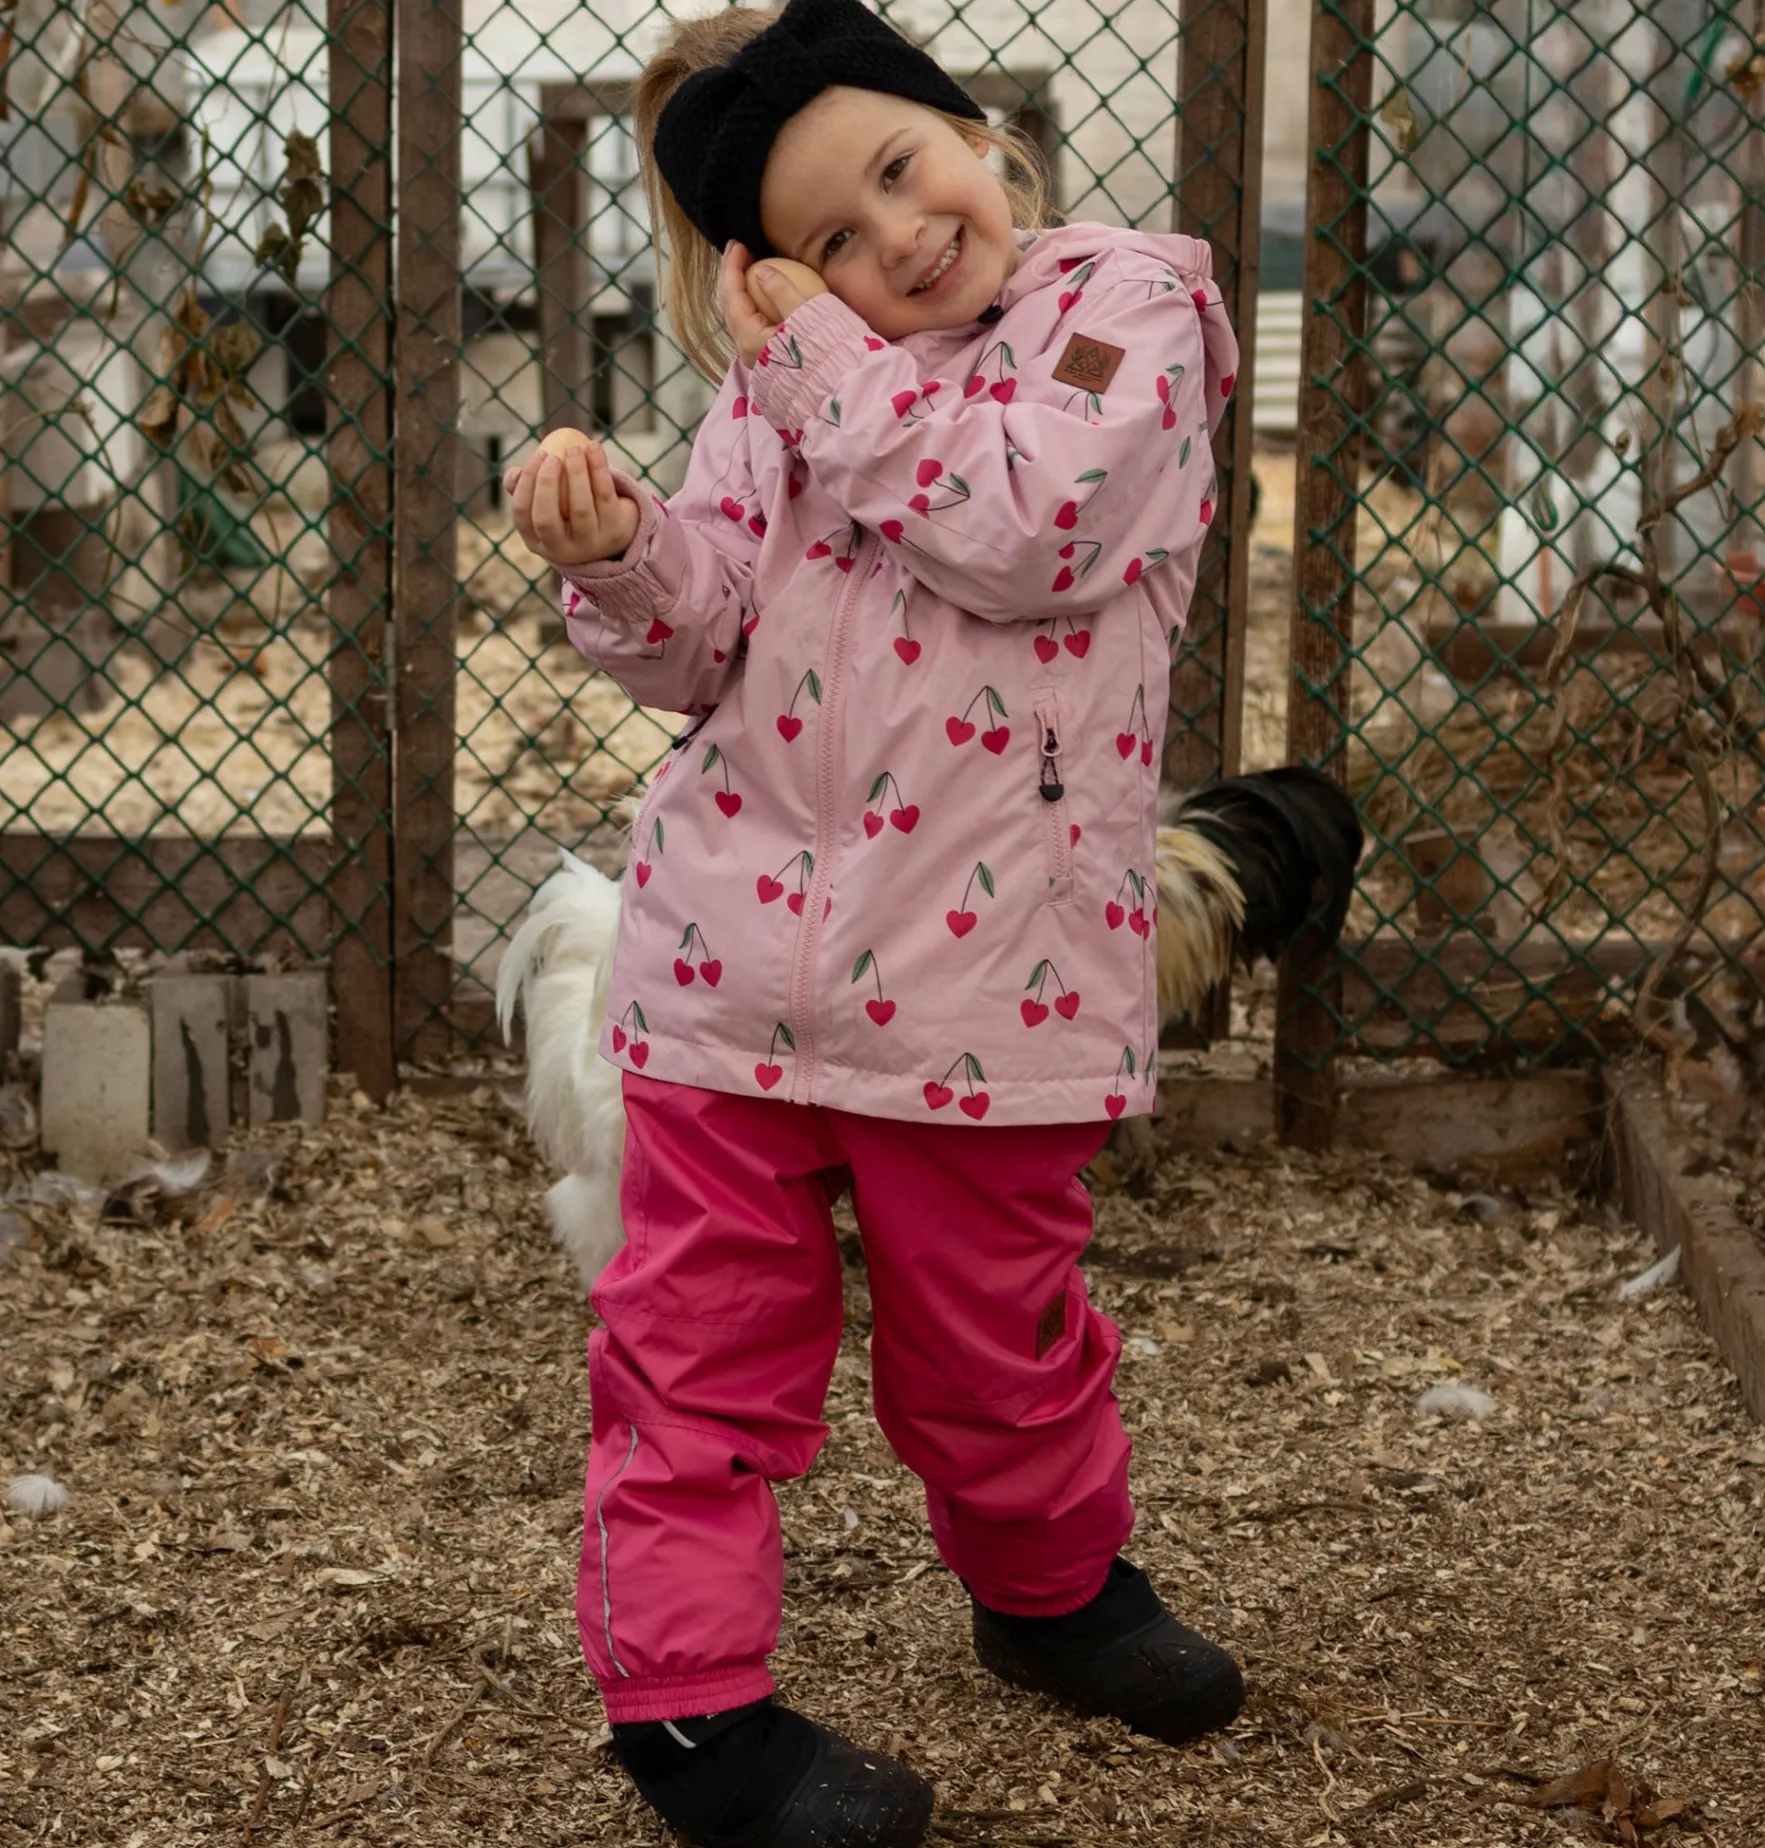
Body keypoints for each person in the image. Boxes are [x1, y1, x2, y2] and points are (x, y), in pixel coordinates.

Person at [503, 1, 1243, 1839]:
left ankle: (1053, 1596)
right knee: (691, 1361)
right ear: (772, 274)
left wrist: (819, 356)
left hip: (989, 992)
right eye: (834, 233)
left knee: (1000, 1344)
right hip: (727, 977)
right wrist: (619, 552)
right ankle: (690, 1717)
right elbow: (701, 644)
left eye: (906, 168)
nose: (901, 236)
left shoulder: (1123, 313)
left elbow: (1036, 524)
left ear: (972, 128)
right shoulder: (784, 389)